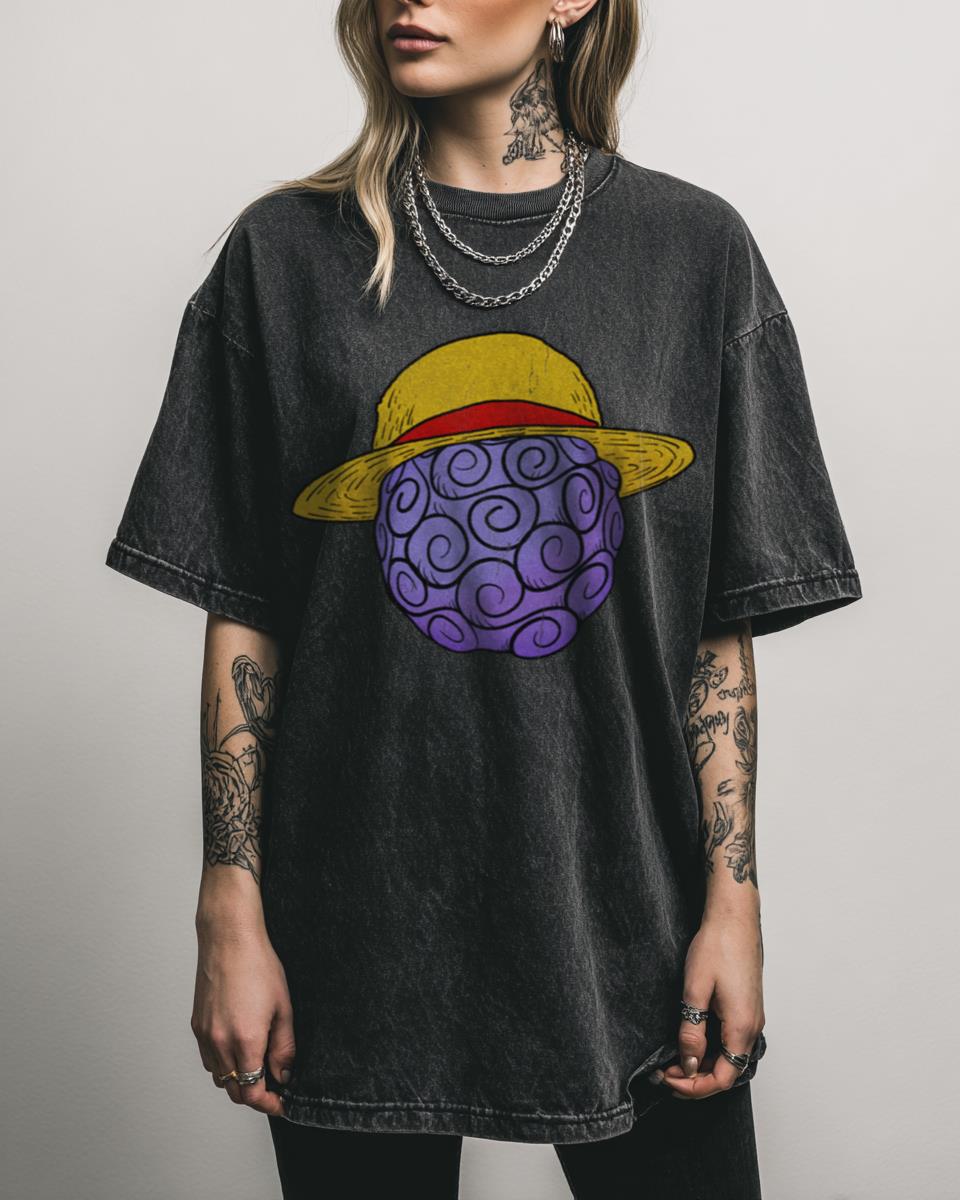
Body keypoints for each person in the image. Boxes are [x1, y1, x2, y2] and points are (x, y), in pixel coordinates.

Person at [104, 1, 863, 1196]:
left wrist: (734, 902)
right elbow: (246, 611)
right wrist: (229, 905)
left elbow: (715, 632)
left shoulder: (693, 253)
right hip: (352, 926)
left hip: (632, 917)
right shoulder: (284, 256)